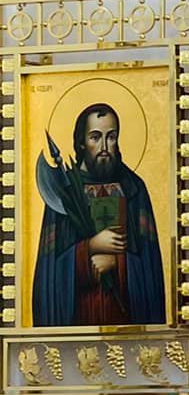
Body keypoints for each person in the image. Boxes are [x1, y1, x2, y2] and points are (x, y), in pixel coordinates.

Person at [32, 101, 168, 327]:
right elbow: (49, 274)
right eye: (95, 137)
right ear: (81, 143)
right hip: (77, 325)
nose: (104, 146)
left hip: (126, 324)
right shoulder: (63, 193)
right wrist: (89, 249)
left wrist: (118, 263)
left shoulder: (133, 189)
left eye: (111, 137)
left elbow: (149, 268)